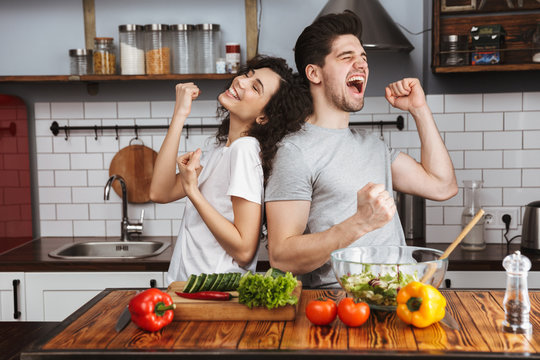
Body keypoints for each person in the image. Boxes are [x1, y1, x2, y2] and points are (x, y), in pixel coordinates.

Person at [264, 11, 458, 288]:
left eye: (364, 58)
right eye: (347, 57)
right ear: (314, 73)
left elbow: (443, 186)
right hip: (345, 307)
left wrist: (419, 110)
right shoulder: (295, 151)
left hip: (404, 296)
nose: (362, 65)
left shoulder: (373, 145)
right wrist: (360, 223)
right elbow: (282, 257)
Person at [150, 55, 310, 284]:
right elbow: (160, 192)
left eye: (255, 87)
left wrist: (193, 192)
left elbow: (244, 251)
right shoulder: (222, 151)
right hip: (192, 292)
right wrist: (180, 115)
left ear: (264, 117)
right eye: (248, 74)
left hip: (214, 296)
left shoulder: (244, 150)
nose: (241, 81)